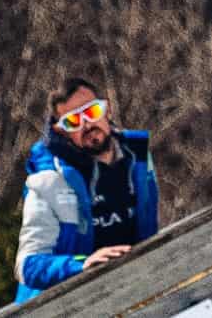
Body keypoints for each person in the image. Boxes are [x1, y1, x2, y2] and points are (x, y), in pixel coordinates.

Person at [13, 76, 160, 304]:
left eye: (92, 112)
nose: (87, 125)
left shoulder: (138, 158)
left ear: (107, 110)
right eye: (73, 121)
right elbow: (27, 266)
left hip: (128, 293)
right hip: (62, 306)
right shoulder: (48, 181)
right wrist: (83, 264)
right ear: (61, 131)